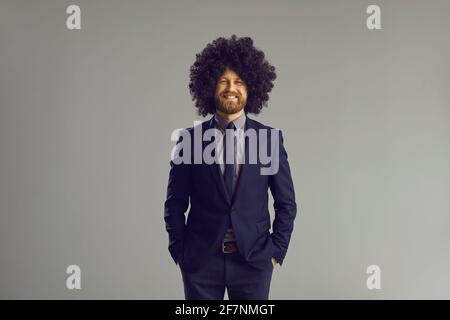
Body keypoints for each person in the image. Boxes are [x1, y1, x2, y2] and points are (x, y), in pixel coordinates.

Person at [164, 35, 297, 300]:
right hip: (201, 262)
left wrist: (275, 252)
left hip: (254, 263)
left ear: (252, 87)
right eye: (223, 81)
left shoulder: (269, 140)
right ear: (210, 86)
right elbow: (174, 203)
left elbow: (286, 204)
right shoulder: (189, 140)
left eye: (238, 82)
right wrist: (180, 251)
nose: (230, 88)